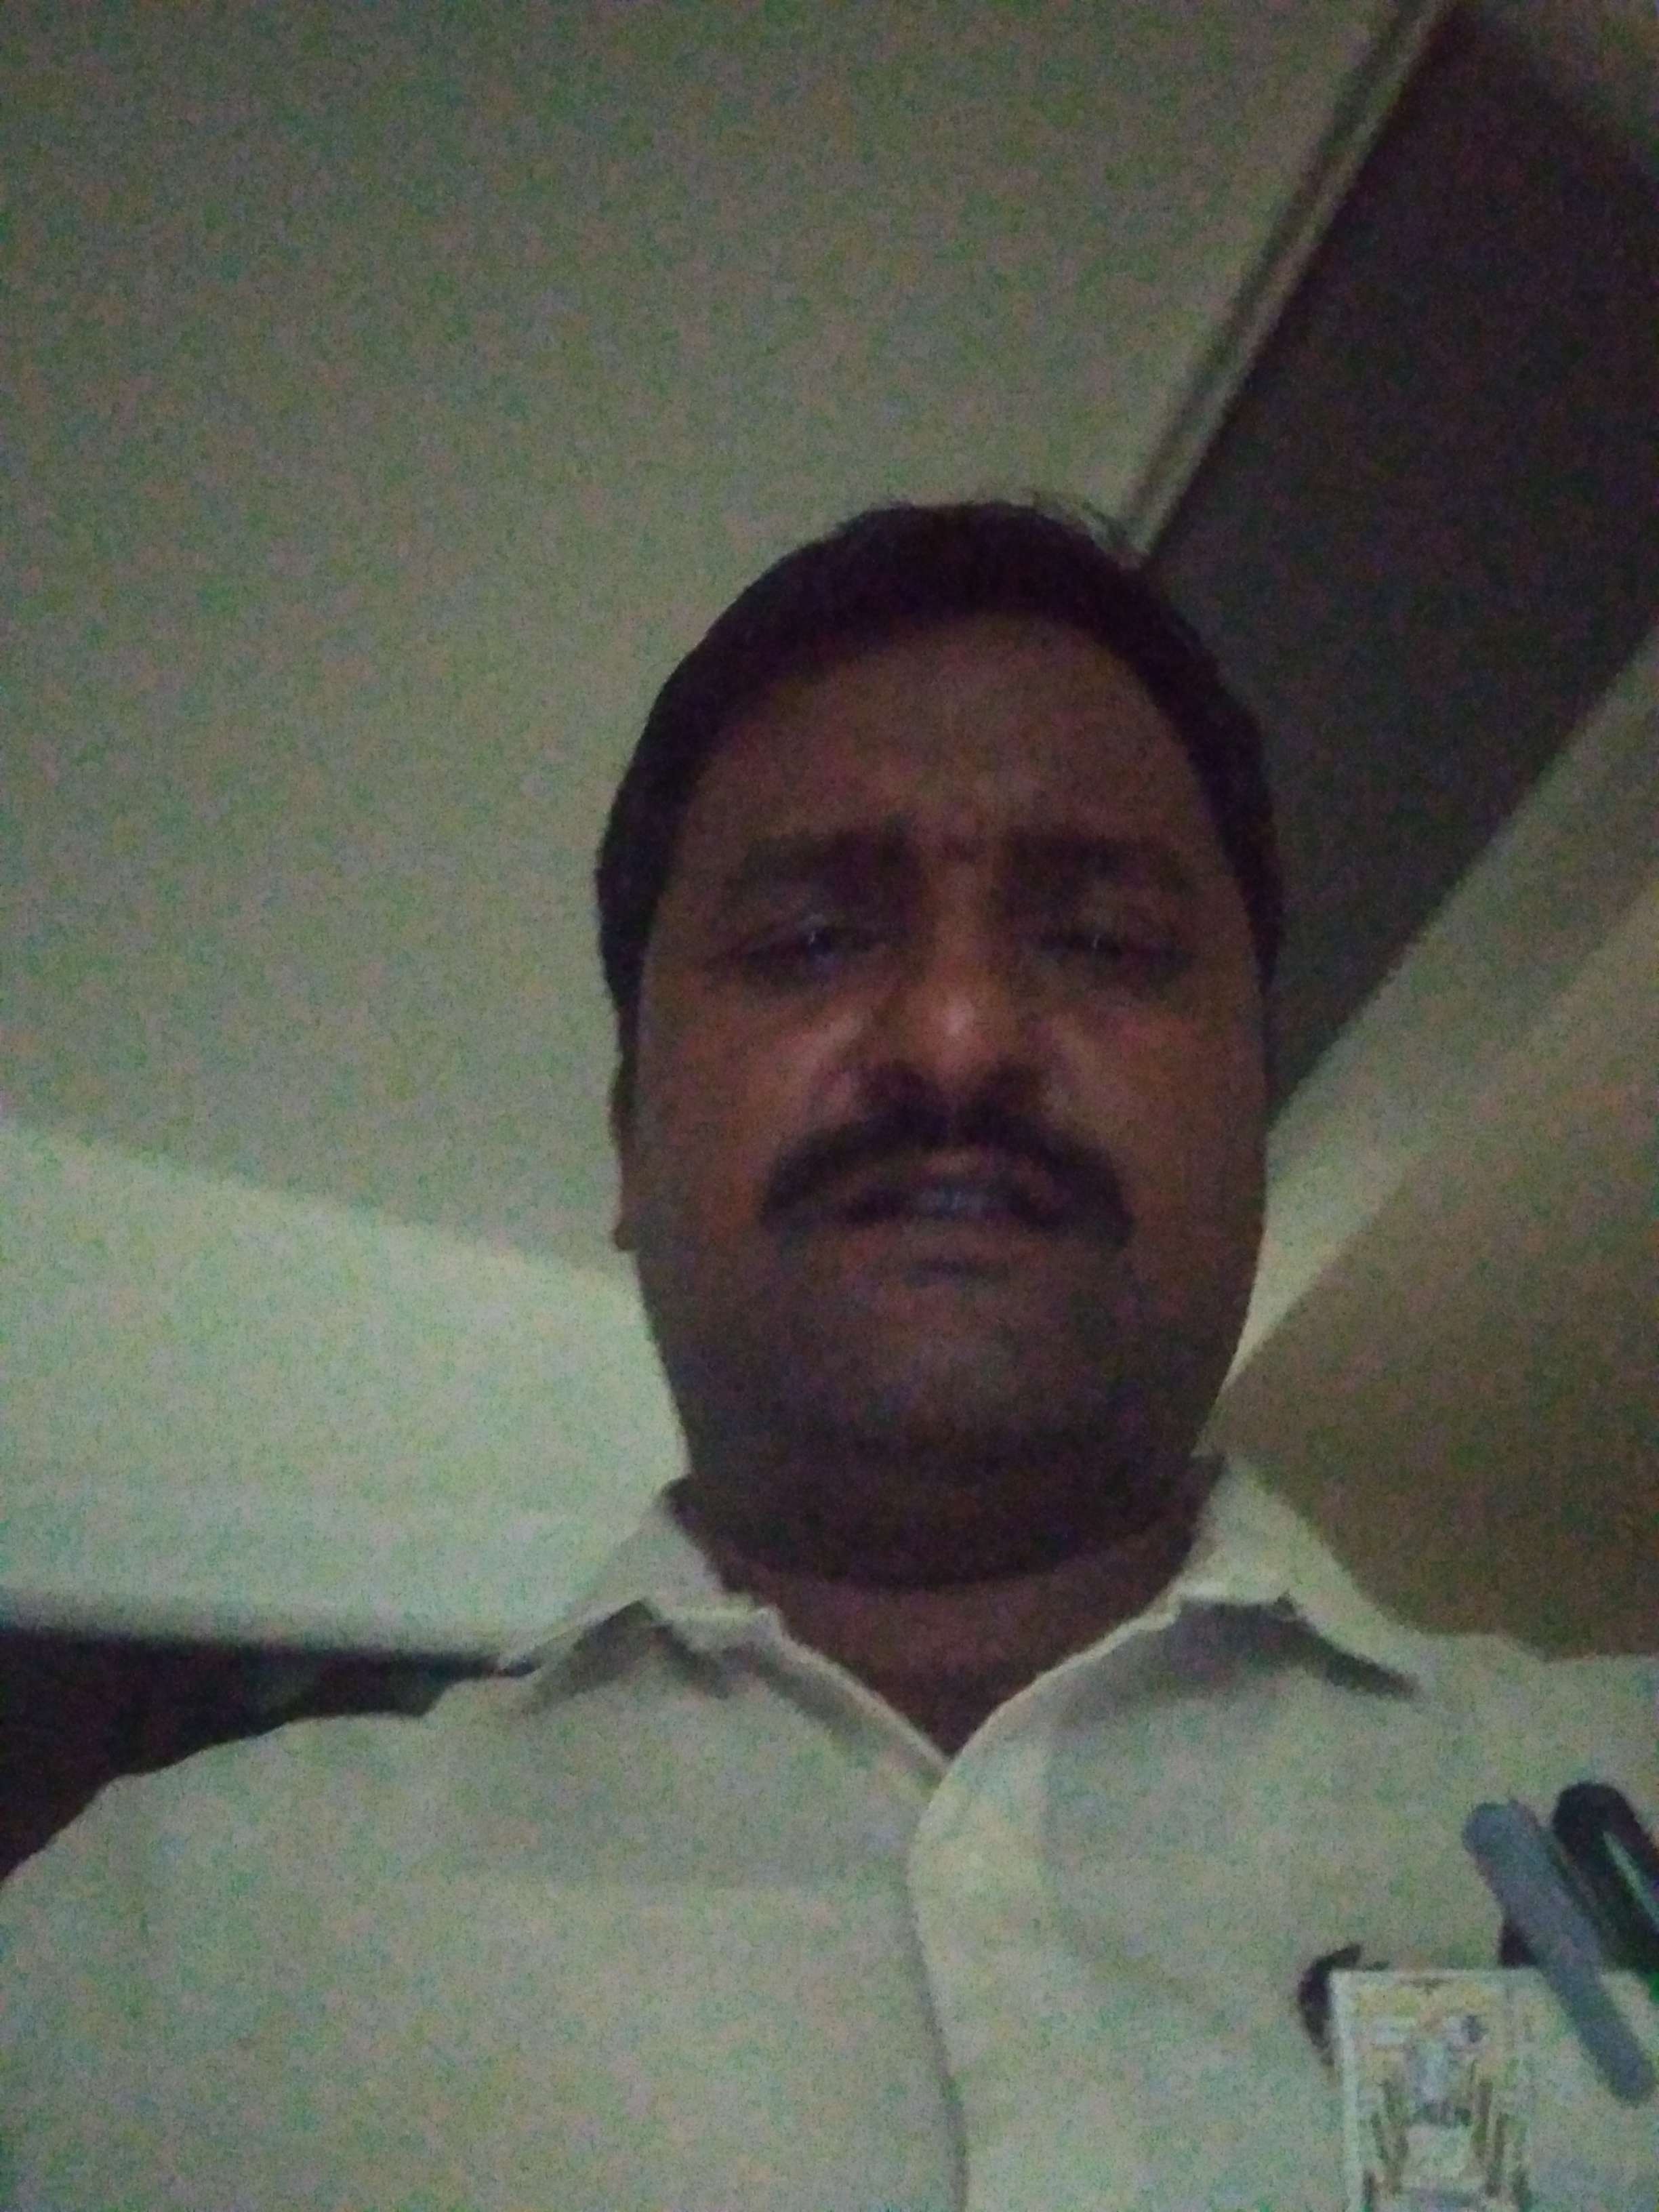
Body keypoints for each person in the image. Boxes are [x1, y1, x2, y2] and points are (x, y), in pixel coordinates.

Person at [2, 499, 1652, 2209]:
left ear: (1253, 1106)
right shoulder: (128, 1971)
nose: (959, 1036)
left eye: (1101, 941)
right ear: (631, 1139)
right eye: (808, 942)